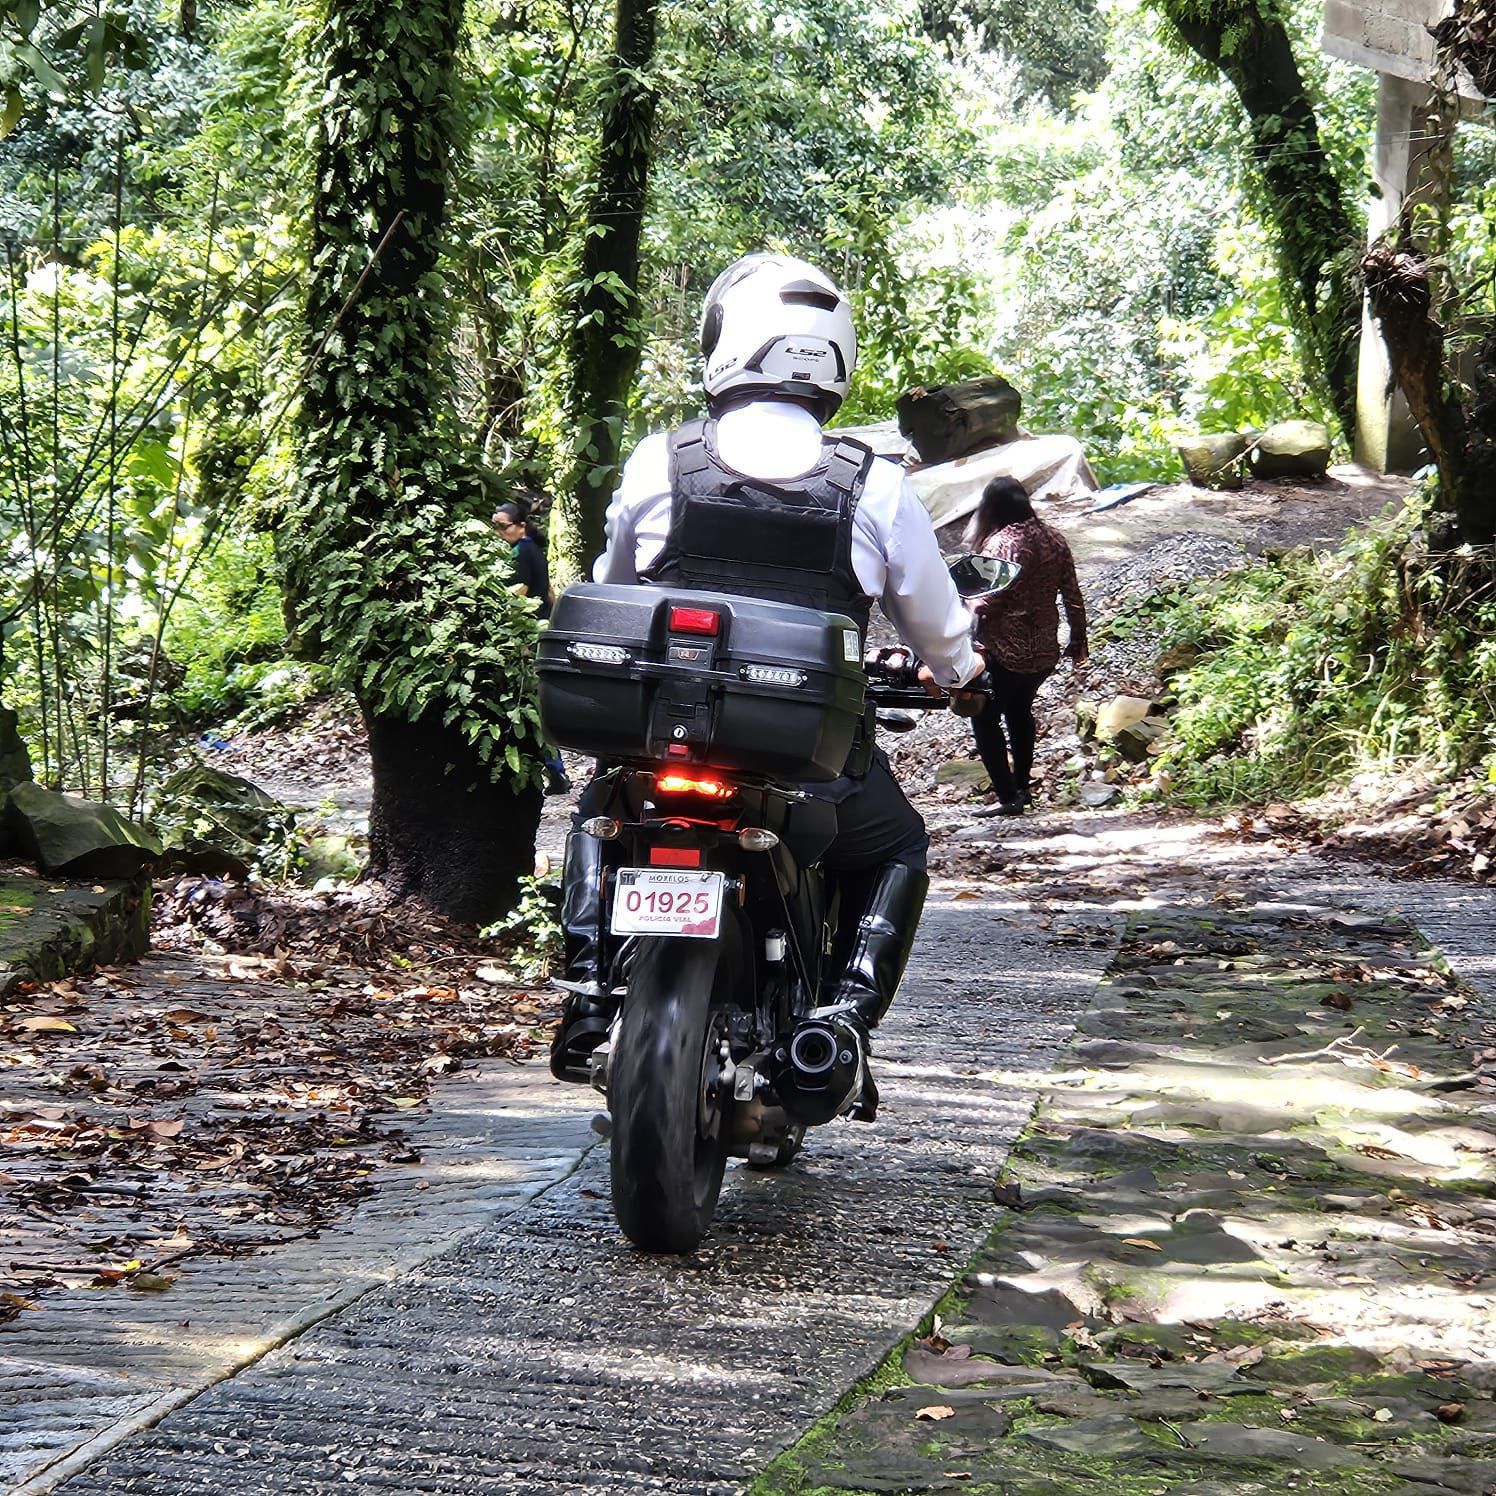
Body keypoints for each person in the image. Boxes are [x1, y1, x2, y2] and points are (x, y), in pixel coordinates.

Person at [551, 252, 986, 1110]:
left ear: (725, 342)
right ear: (834, 360)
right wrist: (963, 675)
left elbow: (615, 590)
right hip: (808, 760)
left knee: (601, 812)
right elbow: (935, 623)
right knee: (896, 846)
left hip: (664, 731)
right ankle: (844, 1022)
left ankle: (589, 990)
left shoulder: (658, 460)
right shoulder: (873, 483)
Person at [962, 477, 1088, 818]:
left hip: (1004, 648)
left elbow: (990, 600)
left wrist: (968, 612)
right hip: (1044, 648)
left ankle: (1007, 797)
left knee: (985, 718)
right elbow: (1072, 594)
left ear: (992, 508)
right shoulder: (1055, 538)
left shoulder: (1001, 544)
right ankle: (1022, 789)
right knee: (1019, 712)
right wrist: (1078, 638)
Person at [495, 500, 570, 794]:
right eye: (495, 527)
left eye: (503, 527)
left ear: (521, 526)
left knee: (528, 705)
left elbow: (522, 591)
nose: (499, 532)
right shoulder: (533, 549)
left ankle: (553, 770)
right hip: (540, 631)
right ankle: (555, 771)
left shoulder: (522, 551)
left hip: (527, 636)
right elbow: (549, 592)